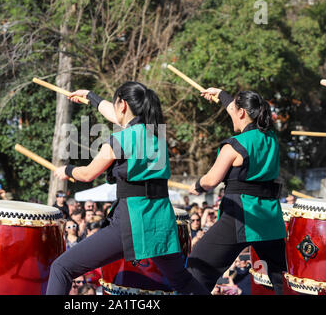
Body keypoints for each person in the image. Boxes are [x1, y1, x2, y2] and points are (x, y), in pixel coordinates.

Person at [47, 81, 208, 295]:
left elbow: (87, 174)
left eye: (116, 105)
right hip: (161, 221)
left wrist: (67, 170)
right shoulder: (156, 134)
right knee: (182, 281)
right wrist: (91, 97)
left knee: (62, 268)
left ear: (122, 105)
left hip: (132, 221)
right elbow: (115, 115)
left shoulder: (121, 139)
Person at [187, 87, 287, 295]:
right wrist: (221, 94)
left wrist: (197, 185)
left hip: (241, 216)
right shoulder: (271, 139)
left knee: (197, 267)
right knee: (282, 280)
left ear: (242, 112)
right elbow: (234, 107)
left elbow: (211, 180)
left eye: (234, 109)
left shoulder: (235, 145)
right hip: (270, 217)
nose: (230, 111)